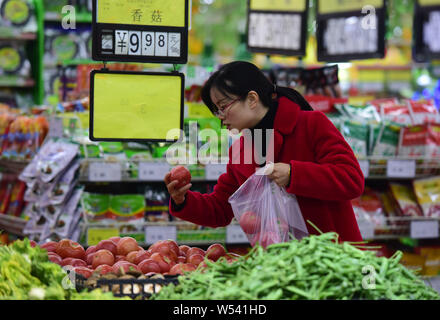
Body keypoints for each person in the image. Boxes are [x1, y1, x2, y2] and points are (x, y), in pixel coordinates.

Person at [164, 61, 364, 242]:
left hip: (334, 259)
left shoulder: (311, 124)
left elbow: (352, 179)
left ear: (252, 98)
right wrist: (183, 200)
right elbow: (221, 208)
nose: (221, 118)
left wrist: (294, 174)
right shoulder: (240, 151)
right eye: (216, 110)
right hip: (279, 267)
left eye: (223, 106)